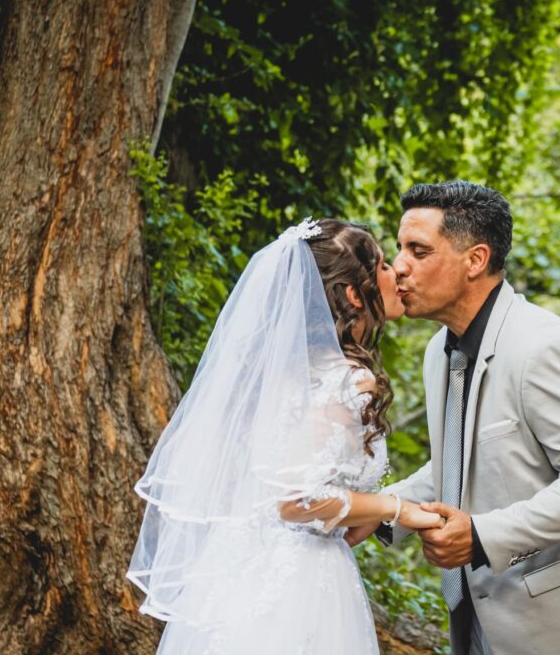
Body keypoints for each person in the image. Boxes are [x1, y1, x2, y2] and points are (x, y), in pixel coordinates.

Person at [346, 181, 560, 654]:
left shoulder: (545, 347)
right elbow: (462, 461)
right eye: (400, 248)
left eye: (419, 250)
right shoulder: (438, 351)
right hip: (478, 620)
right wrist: (385, 511)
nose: (400, 267)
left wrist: (480, 535)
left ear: (474, 260)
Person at [127, 218, 442, 654]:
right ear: (354, 295)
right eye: (385, 266)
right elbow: (298, 500)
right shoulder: (348, 380)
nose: (398, 273)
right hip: (300, 585)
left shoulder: (285, 374)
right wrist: (396, 508)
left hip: (244, 568)